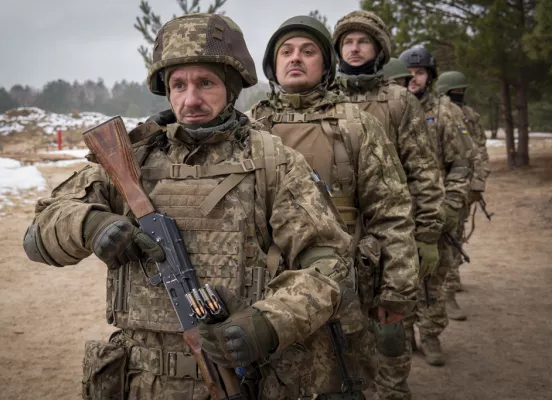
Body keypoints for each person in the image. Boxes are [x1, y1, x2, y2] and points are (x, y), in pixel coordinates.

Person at [23, 13, 364, 400]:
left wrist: (267, 324)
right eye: (178, 84)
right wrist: (89, 225)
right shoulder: (131, 160)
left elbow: (330, 267)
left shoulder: (273, 161)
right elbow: (36, 236)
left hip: (239, 377)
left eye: (206, 83)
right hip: (138, 382)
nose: (191, 100)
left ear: (231, 88)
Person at [248, 15, 420, 400]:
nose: (296, 58)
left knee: (344, 385)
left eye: (308, 52)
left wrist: (396, 289)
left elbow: (390, 210)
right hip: (268, 293)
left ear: (325, 64)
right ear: (272, 64)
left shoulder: (357, 126)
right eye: (286, 52)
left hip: (346, 293)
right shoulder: (251, 127)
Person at [330, 10, 444, 398]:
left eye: (363, 41)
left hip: (390, 234)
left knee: (391, 330)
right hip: (341, 239)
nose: (355, 48)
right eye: (348, 41)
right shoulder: (325, 98)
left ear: (378, 48)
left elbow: (424, 171)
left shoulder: (398, 101)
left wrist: (427, 234)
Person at [400, 46, 472, 366]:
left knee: (433, 279)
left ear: (430, 76)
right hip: (398, 214)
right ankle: (403, 338)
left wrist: (453, 206)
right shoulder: (392, 109)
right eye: (409, 73)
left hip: (436, 211)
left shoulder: (445, 112)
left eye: (419, 73)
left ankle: (430, 335)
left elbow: (460, 164)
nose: (413, 79)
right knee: (399, 280)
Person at [436, 71, 491, 319]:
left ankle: (449, 287)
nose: (458, 96)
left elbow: (479, 150)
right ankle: (444, 292)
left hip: (462, 188)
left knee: (455, 236)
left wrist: (477, 184)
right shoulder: (435, 114)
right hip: (438, 190)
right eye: (453, 92)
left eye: (461, 92)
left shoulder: (469, 116)